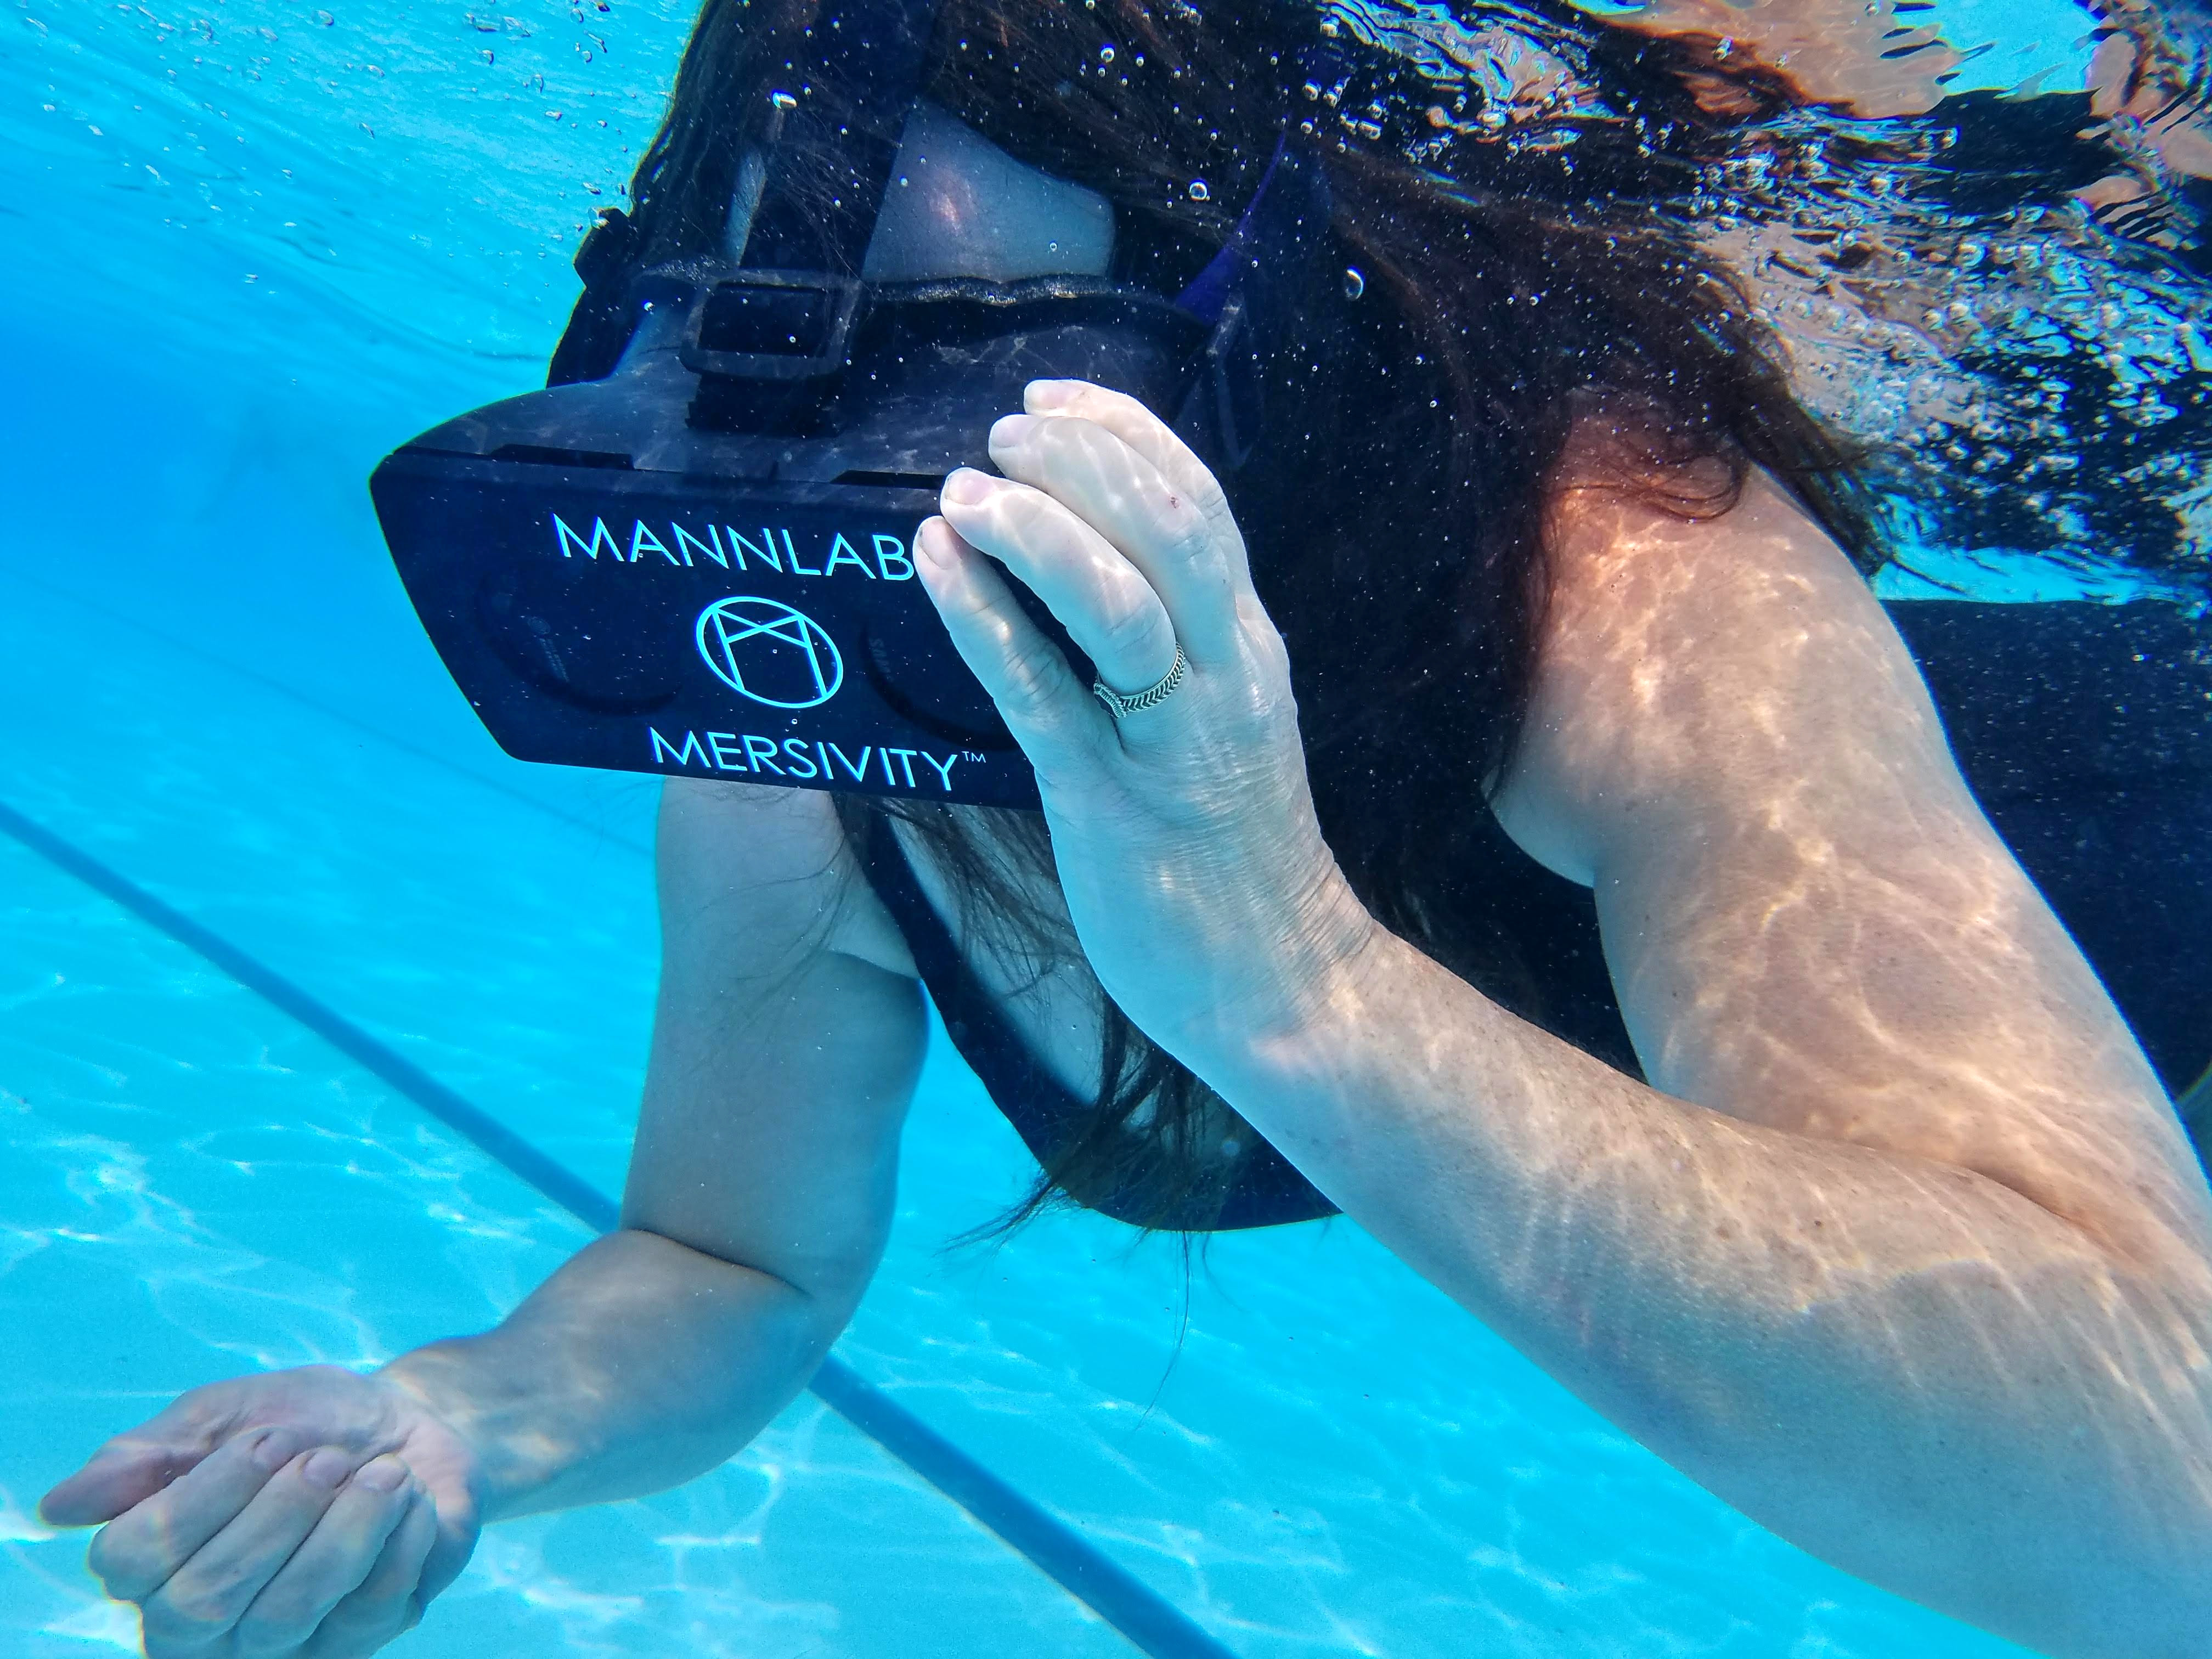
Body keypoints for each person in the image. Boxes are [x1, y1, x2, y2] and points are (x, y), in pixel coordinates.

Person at [38, 0, 2212, 1654]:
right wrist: (463, 1421)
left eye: (978, 416)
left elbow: (2158, 1485)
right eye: (761, 409)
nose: (888, 547)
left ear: (1265, 368)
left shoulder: (1625, 586)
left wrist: (1291, 975)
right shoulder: (825, 631)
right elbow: (732, 1259)